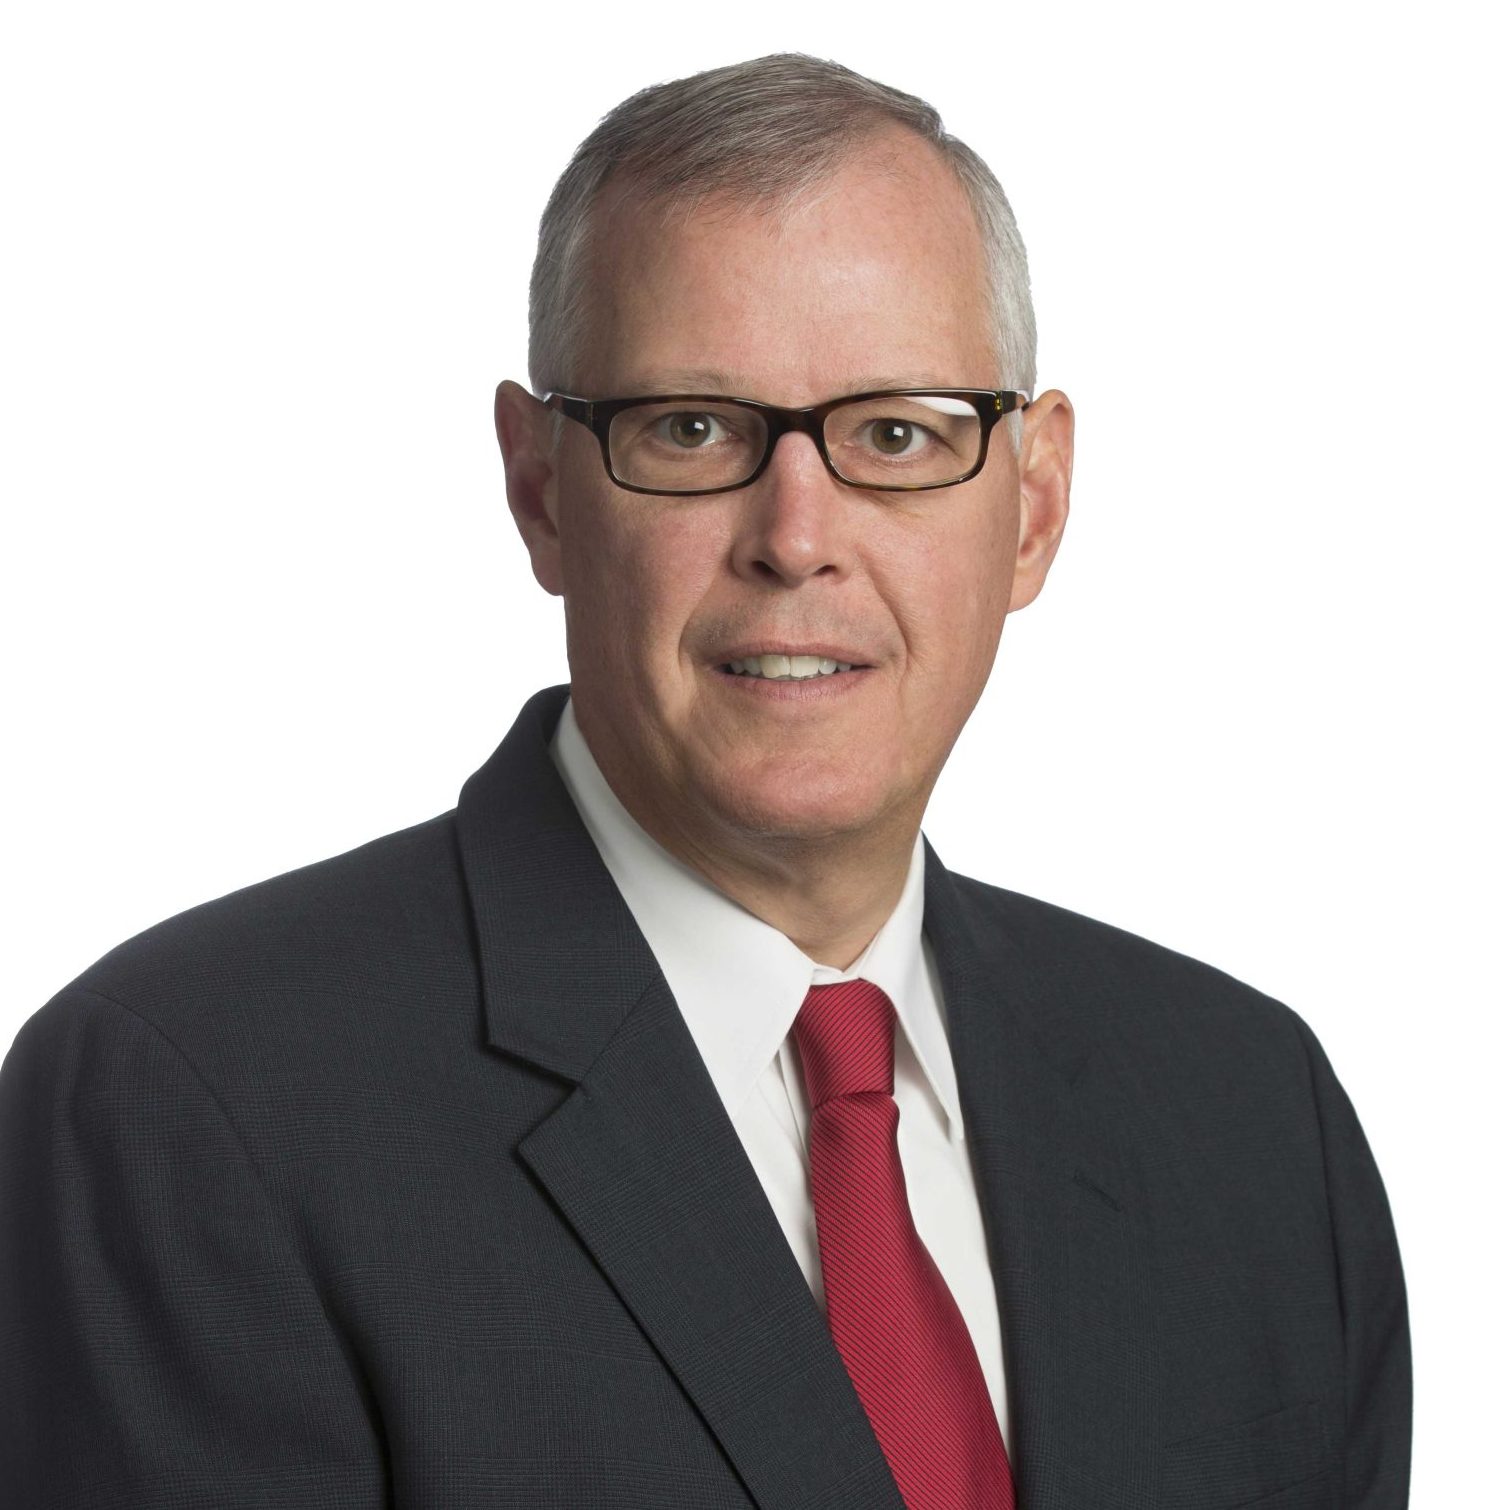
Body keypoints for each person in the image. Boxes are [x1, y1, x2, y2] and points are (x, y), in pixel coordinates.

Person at [0, 51, 1410, 1510]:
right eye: (690, 429)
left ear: (1034, 504)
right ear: (540, 486)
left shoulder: (1248, 1118)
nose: (795, 535)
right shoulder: (196, 1101)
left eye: (895, 433)